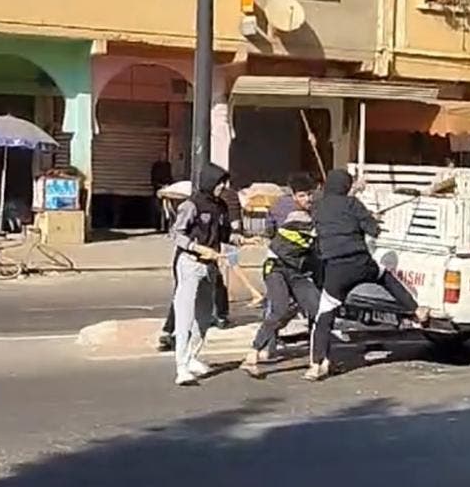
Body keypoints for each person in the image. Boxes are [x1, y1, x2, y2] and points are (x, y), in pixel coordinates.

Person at [307, 169, 428, 381]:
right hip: (360, 262)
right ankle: (416, 310)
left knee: (325, 315)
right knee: (384, 276)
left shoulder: (317, 208)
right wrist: (371, 219)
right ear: (346, 186)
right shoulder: (353, 205)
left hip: (335, 269)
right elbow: (374, 231)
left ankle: (317, 364)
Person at [242, 173, 320, 379]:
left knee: (315, 307)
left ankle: (319, 358)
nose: (307, 200)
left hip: (297, 270)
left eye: (310, 195)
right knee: (278, 309)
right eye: (303, 196)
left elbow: (269, 230)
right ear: (294, 195)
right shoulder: (298, 216)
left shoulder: (282, 207)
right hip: (276, 267)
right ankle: (254, 353)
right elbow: (310, 228)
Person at [169, 162, 231, 386]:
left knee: (204, 317)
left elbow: (224, 235)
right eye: (219, 183)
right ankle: (181, 367)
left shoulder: (221, 206)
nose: (222, 187)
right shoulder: (190, 205)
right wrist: (197, 248)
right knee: (185, 315)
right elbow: (176, 234)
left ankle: (192, 356)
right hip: (190, 263)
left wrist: (241, 240)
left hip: (211, 266)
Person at [150, 154, 173, 232]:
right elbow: (153, 179)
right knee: (158, 209)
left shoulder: (168, 165)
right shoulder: (156, 166)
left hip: (167, 189)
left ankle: (166, 226)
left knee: (167, 208)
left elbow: (170, 177)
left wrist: (168, 185)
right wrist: (160, 185)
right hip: (158, 189)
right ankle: (158, 226)